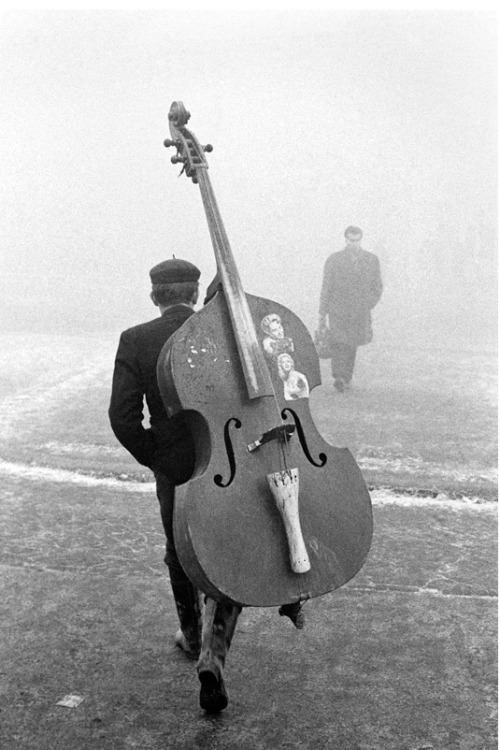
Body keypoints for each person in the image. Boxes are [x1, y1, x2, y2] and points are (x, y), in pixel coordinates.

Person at [109, 258, 304, 714]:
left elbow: (121, 417)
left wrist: (157, 457)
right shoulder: (221, 334)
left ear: (155, 296)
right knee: (230, 550)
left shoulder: (136, 340)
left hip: (177, 467)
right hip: (235, 454)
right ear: (195, 294)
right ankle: (212, 653)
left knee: (181, 548)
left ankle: (191, 633)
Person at [318, 226, 383, 392]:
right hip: (337, 309)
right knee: (338, 342)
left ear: (361, 240)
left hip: (359, 311)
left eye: (357, 240)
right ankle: (339, 376)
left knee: (352, 343)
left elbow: (377, 287)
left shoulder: (371, 260)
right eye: (350, 240)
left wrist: (368, 304)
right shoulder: (334, 260)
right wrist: (322, 312)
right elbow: (327, 286)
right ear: (345, 240)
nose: (353, 243)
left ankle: (346, 377)